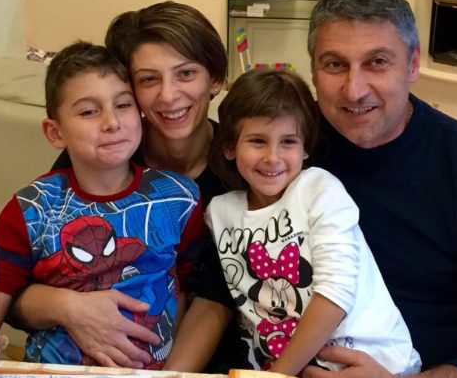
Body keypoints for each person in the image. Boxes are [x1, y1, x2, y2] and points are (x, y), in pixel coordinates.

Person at [303, 0, 457, 378]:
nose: (354, 90)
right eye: (335, 64)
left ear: (413, 65)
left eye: (377, 62)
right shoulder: (286, 149)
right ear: (313, 69)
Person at [8, 2, 251, 371]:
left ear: (215, 79)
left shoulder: (242, 169)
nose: (168, 96)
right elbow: (12, 292)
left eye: (186, 73)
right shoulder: (100, 158)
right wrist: (68, 307)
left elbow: (215, 299)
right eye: (149, 79)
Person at [0, 42, 201, 370]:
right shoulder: (28, 210)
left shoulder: (180, 198)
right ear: (55, 132)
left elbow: (186, 290)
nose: (111, 122)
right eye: (88, 111)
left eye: (123, 105)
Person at [164, 68, 421, 376]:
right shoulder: (219, 212)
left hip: (374, 363)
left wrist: (277, 375)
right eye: (258, 141)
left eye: (288, 141)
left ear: (306, 147)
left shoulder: (319, 189)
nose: (273, 157)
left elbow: (335, 294)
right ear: (230, 147)